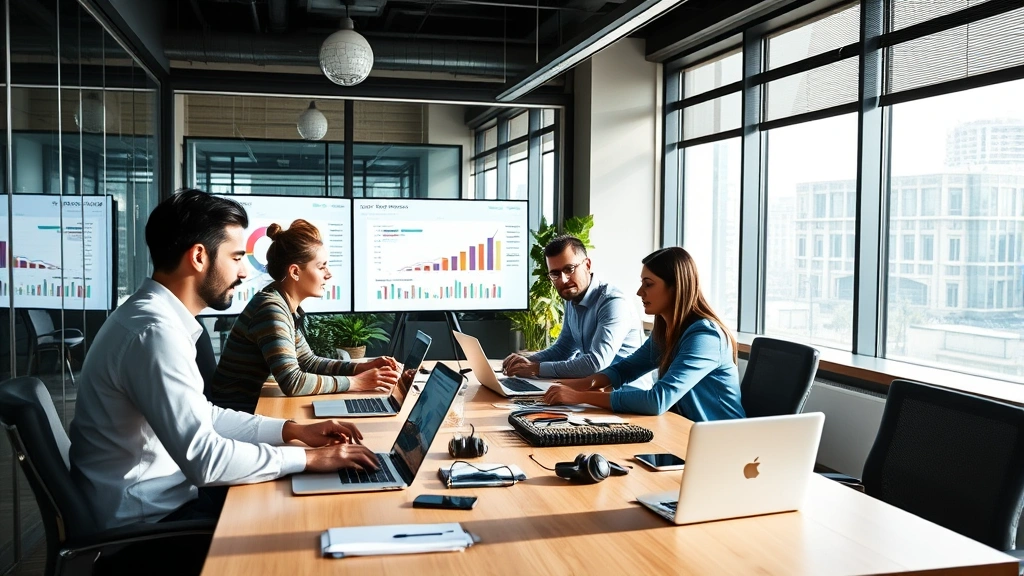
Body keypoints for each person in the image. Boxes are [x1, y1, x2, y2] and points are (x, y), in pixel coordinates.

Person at [69, 190, 380, 533]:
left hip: (166, 502)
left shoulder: (152, 320)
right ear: (199, 257)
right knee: (310, 519)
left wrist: (293, 430)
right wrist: (308, 457)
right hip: (151, 526)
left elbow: (206, 416)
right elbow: (205, 459)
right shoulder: (154, 334)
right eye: (236, 257)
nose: (245, 271)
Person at [210, 219, 399, 414]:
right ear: (295, 272)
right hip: (234, 416)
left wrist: (362, 368)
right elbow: (293, 382)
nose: (328, 274)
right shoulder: (271, 309)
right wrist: (356, 383)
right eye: (321, 267)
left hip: (245, 410)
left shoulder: (282, 304)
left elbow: (308, 362)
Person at [542, 247, 744, 421]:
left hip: (722, 443)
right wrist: (570, 386)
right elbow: (625, 370)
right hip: (684, 431)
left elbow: (657, 400)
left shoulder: (705, 337)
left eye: (648, 284)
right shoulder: (666, 330)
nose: (640, 292)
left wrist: (578, 396)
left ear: (675, 287)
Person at [502, 235, 647, 382]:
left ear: (587, 265)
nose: (563, 280)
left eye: (569, 269)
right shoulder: (573, 298)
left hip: (625, 391)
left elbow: (596, 363)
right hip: (594, 388)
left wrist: (536, 368)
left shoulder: (613, 302)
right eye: (555, 274)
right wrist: (526, 361)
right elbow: (564, 349)